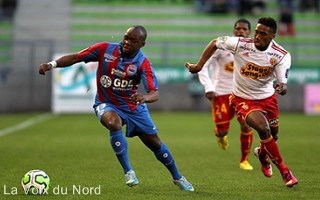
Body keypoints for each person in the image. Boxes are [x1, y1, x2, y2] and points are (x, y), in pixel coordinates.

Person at [39, 25, 194, 191]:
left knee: (155, 144)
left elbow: (155, 93)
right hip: (107, 103)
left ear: (142, 44)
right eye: (126, 37)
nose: (127, 42)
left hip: (134, 107)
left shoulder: (143, 64)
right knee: (114, 123)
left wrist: (144, 98)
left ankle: (178, 177)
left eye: (133, 40)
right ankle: (128, 171)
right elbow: (77, 57)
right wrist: (51, 64)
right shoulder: (105, 49)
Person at [185, 17, 298, 187]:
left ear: (273, 36)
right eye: (257, 32)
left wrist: (281, 87)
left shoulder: (281, 55)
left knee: (273, 135)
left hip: (268, 99)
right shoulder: (241, 44)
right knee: (263, 128)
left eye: (263, 33)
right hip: (242, 98)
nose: (257, 36)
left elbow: (283, 84)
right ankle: (285, 171)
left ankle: (261, 153)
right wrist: (199, 66)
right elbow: (216, 42)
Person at [197, 18, 254, 170]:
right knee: (222, 130)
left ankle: (244, 160)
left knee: (246, 125)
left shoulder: (254, 49)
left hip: (243, 94)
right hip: (221, 93)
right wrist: (208, 87)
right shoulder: (222, 47)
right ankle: (221, 136)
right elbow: (203, 66)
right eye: (238, 28)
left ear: (249, 32)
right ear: (234, 31)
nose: (240, 31)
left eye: (244, 29)